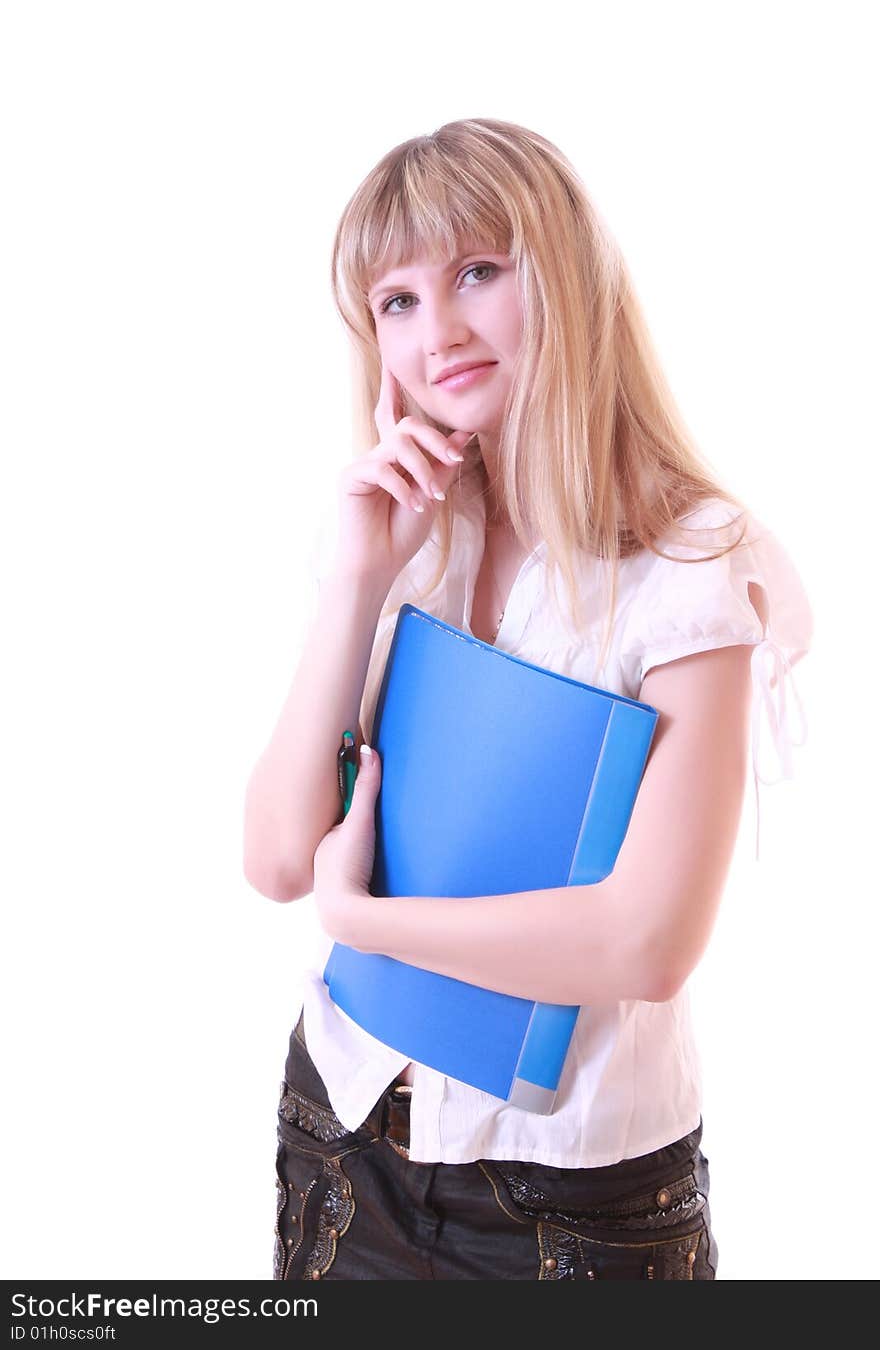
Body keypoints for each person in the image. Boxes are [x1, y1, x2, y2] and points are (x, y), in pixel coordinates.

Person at [243, 117, 813, 1281]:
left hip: (574, 1205)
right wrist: (357, 580)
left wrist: (364, 922)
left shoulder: (694, 560)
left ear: (558, 274)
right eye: (394, 301)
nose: (436, 330)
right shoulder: (401, 530)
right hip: (341, 1140)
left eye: (475, 272)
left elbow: (645, 940)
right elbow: (273, 856)